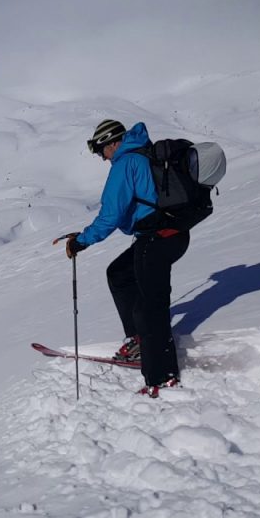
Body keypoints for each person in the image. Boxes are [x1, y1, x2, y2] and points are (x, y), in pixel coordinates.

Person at [61, 119, 190, 397]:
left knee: (150, 309)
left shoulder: (124, 163)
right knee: (119, 273)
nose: (102, 157)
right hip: (172, 234)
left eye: (101, 151)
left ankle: (162, 378)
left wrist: (82, 241)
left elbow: (111, 215)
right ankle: (138, 341)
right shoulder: (144, 154)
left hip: (157, 238)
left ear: (113, 143)